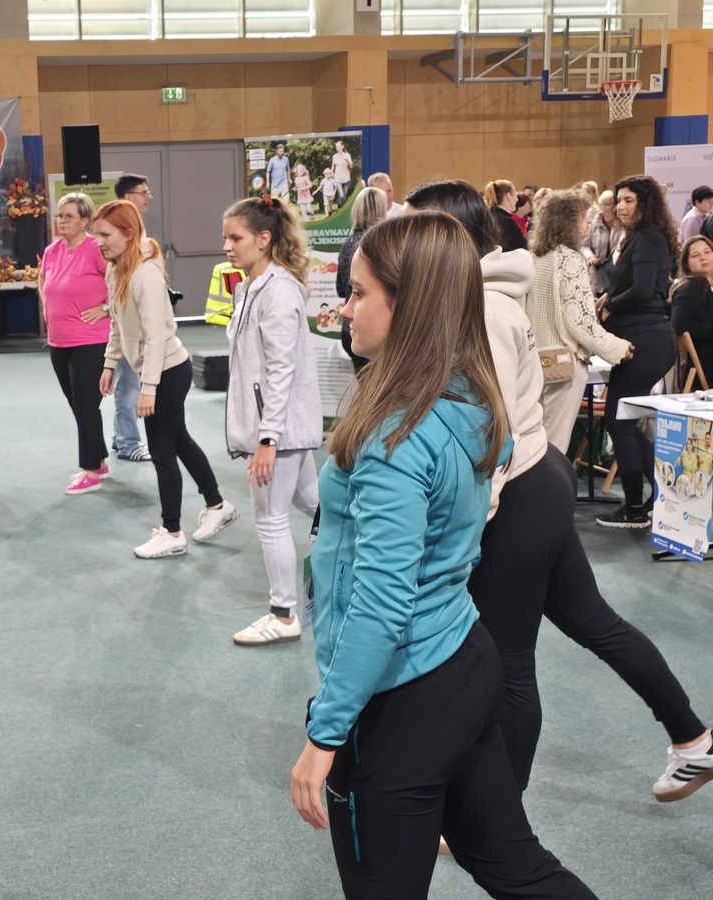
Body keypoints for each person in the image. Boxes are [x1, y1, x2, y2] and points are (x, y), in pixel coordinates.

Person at [290, 211, 596, 899]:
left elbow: (381, 602)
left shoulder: (394, 439)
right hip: (461, 656)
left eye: (359, 293)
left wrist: (324, 734)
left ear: (409, 306)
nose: (346, 309)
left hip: (403, 694)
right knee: (515, 865)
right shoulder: (466, 394)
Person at [406, 180, 713, 804]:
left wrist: (467, 527)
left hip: (518, 491)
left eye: (411, 229)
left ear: (445, 236)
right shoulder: (471, 299)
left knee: (510, 659)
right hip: (534, 478)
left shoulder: (482, 310)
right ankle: (693, 739)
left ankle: (498, 818)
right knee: (591, 620)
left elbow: (487, 436)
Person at [93, 200, 237, 558]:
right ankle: (217, 505)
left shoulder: (146, 275)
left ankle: (172, 532)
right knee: (179, 441)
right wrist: (110, 364)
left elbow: (156, 336)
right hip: (156, 371)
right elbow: (118, 324)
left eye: (105, 235)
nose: (99, 242)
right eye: (97, 235)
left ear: (128, 234)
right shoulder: (116, 270)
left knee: (161, 451)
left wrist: (148, 389)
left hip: (168, 372)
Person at [221, 196, 321, 645]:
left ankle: (283, 616)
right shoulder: (248, 288)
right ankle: (361, 560)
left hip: (280, 432)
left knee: (270, 520)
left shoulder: (278, 291)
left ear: (263, 239)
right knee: (318, 506)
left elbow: (281, 370)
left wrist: (267, 439)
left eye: (235, 238)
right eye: (226, 238)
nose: (227, 246)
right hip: (283, 430)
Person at [595, 174, 678, 528]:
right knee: (624, 423)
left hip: (645, 340)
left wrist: (609, 304)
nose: (621, 206)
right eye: (619, 200)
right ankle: (658, 499)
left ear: (646, 204)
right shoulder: (644, 238)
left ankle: (635, 508)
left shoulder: (647, 238)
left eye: (629, 200)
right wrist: (609, 298)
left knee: (620, 423)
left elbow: (643, 291)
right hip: (641, 341)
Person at [526, 189, 633, 452]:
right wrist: (618, 348)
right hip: (563, 366)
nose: (588, 221)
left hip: (533, 364)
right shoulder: (569, 259)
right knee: (554, 446)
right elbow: (580, 323)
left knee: (534, 443)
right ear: (567, 221)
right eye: (583, 215)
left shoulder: (534, 258)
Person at [39, 192, 111, 495]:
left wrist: (106, 308)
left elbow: (122, 283)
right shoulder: (52, 250)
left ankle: (90, 471)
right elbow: (43, 280)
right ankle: (100, 459)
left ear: (85, 221)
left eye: (69, 216)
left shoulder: (97, 248)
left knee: (85, 404)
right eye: (59, 215)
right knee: (78, 404)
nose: (62, 221)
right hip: (59, 339)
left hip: (91, 339)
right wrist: (47, 308)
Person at [109, 174, 155, 464]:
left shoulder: (136, 229)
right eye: (143, 192)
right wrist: (106, 308)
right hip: (126, 325)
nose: (149, 197)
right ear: (129, 197)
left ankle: (120, 437)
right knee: (128, 385)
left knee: (127, 382)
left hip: (135, 321)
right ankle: (128, 442)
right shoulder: (122, 234)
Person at [335, 186, 388, 371]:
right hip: (368, 332)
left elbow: (340, 288)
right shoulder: (380, 250)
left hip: (349, 331)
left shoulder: (346, 245)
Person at [671, 235, 713, 384]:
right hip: (704, 363)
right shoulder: (691, 287)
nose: (703, 257)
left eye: (707, 252)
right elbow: (679, 324)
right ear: (687, 264)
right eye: (695, 255)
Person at [581, 189, 623, 296]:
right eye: (605, 204)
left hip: (615, 270)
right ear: (600, 207)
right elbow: (584, 246)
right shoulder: (593, 224)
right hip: (597, 271)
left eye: (611, 204)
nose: (609, 208)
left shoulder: (622, 224)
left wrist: (619, 249)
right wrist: (590, 256)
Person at [484, 179, 528, 251]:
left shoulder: (488, 216)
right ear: (508, 196)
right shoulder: (507, 221)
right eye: (515, 195)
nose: (517, 199)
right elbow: (524, 246)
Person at [330, 140, 352, 205]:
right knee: (341, 195)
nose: (338, 148)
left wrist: (347, 161)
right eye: (336, 147)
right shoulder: (334, 156)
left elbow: (351, 166)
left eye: (339, 146)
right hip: (338, 178)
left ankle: (342, 208)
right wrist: (332, 172)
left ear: (342, 146)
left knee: (344, 196)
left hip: (346, 178)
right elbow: (333, 165)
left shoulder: (347, 155)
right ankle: (340, 207)